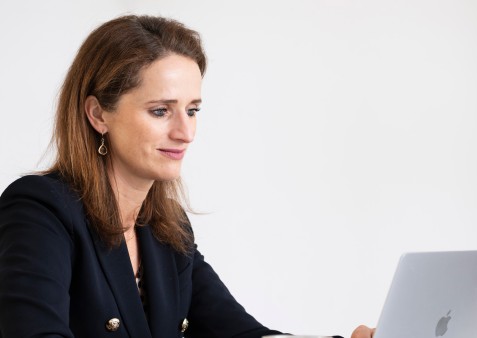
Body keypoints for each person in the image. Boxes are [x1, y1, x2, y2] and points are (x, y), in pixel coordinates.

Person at [0, 15, 375, 338]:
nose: (186, 132)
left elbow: (240, 333)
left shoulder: (168, 229)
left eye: (192, 110)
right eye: (161, 111)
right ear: (98, 115)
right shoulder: (39, 209)